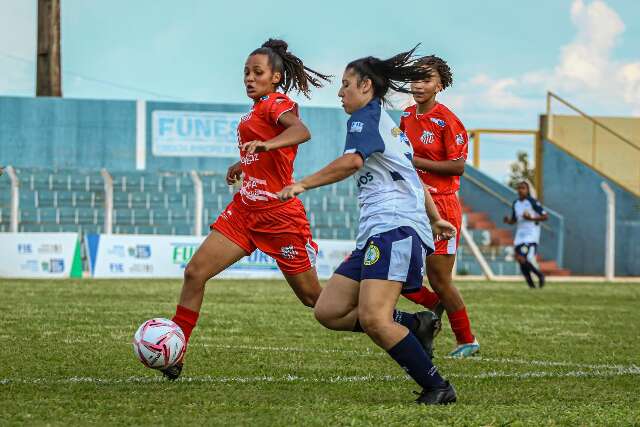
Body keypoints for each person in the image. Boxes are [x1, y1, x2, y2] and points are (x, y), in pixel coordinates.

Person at [162, 39, 438, 380]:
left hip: (279, 216)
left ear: (276, 77)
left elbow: (300, 131)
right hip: (245, 210)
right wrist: (244, 163)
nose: (249, 78)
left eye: (257, 72)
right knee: (195, 273)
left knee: (315, 300)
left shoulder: (277, 104)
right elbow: (266, 153)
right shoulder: (256, 108)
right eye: (246, 72)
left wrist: (267, 144)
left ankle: (409, 323)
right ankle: (175, 350)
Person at [278, 47, 457, 405]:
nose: (340, 92)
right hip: (382, 231)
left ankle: (437, 386)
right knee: (328, 311)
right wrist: (435, 217)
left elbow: (351, 162)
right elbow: (412, 179)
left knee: (375, 319)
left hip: (394, 229)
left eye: (346, 85)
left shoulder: (365, 118)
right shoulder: (389, 126)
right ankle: (414, 324)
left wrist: (302, 183)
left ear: (366, 86)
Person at [399, 55, 479, 357]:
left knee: (440, 279)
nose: (419, 85)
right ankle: (431, 308)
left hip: (441, 206)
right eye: (415, 79)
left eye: (426, 79)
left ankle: (466, 339)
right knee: (399, 272)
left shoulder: (448, 120)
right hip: (411, 203)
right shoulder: (406, 116)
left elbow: (458, 167)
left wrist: (414, 161)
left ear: (440, 85)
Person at [503, 181, 548, 288]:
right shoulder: (516, 203)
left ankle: (539, 275)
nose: (520, 190)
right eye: (518, 188)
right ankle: (531, 284)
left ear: (527, 190)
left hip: (531, 234)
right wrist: (508, 221)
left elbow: (545, 216)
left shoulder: (532, 202)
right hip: (520, 234)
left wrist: (531, 218)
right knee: (520, 259)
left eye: (523, 188)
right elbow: (514, 220)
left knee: (523, 258)